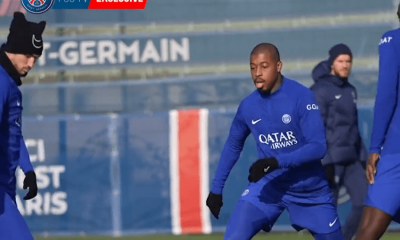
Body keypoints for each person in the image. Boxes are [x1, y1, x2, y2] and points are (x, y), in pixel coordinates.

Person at [206, 42, 344, 240]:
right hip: (269, 187)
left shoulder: (302, 96)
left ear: (278, 66)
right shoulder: (248, 106)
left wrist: (276, 162)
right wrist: (216, 190)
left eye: (264, 66)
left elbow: (318, 147)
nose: (257, 73)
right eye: (253, 67)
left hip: (310, 192)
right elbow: (233, 146)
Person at [309, 43, 368, 240]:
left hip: (352, 160)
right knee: (327, 211)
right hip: (329, 161)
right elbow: (314, 128)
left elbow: (354, 129)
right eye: (340, 61)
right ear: (331, 63)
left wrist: (365, 159)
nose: (345, 65)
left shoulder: (351, 90)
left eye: (348, 61)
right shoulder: (320, 90)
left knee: (364, 202)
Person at [356, 4, 400, 240]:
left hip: (396, 151)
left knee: (367, 233)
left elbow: (386, 96)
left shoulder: (393, 39)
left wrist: (375, 148)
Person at [0, 11, 46, 239]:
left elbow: (12, 133)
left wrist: (27, 169)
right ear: (12, 50)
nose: (31, 63)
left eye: (35, 58)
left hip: (5, 187)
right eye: (28, 55)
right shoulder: (0, 81)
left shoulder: (9, 84)